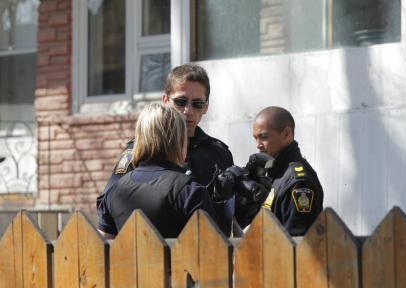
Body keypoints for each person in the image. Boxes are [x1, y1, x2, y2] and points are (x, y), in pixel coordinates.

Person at [96, 64, 233, 231]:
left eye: (197, 104)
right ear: (166, 101)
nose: (187, 111)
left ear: (206, 107)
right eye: (181, 102)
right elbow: (109, 205)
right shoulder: (140, 149)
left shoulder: (218, 152)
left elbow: (232, 218)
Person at [98, 103, 225, 239]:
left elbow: (103, 247)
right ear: (179, 141)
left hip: (126, 260)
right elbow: (213, 249)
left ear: (140, 139)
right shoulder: (189, 191)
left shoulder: (114, 191)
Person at [238, 106, 324, 236]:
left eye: (264, 137)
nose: (258, 144)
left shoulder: (298, 182)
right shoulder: (276, 173)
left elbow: (298, 242)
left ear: (286, 134)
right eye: (255, 138)